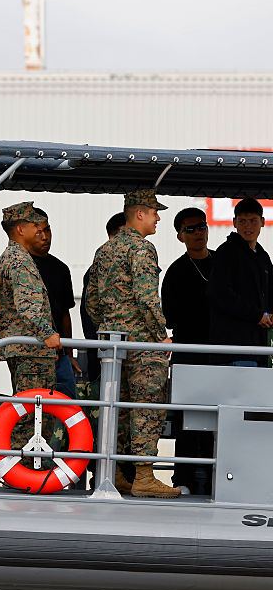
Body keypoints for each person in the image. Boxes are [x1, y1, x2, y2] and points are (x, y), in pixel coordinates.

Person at [86, 188, 178, 498]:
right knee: (146, 407)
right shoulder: (142, 248)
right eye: (154, 213)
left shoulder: (105, 249)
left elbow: (91, 301)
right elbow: (147, 297)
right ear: (140, 214)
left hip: (113, 343)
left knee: (117, 410)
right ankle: (143, 476)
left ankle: (112, 472)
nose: (158, 218)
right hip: (142, 344)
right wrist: (159, 333)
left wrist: (110, 326)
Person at [0, 201, 62, 457]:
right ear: (21, 229)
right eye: (35, 225)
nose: (41, 231)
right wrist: (48, 333)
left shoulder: (12, 256)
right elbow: (28, 306)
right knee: (33, 412)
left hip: (24, 348)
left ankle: (24, 467)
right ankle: (23, 468)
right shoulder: (20, 260)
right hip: (31, 350)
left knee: (31, 410)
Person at [161, 206, 214, 495]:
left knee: (217, 419)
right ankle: (182, 478)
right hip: (188, 354)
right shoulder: (176, 271)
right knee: (186, 420)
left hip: (220, 355)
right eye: (190, 229)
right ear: (180, 236)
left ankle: (213, 478)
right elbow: (168, 316)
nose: (198, 233)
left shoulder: (223, 263)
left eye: (201, 226)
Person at [207, 198, 273, 366]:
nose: (248, 226)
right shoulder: (226, 252)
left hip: (258, 347)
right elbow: (219, 293)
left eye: (253, 221)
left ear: (263, 222)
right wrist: (257, 315)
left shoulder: (262, 256)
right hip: (232, 349)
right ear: (234, 222)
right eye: (242, 221)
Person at [27, 209, 79, 399]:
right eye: (38, 232)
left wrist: (69, 354)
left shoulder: (61, 268)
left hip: (60, 354)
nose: (45, 237)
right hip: (32, 352)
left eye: (48, 230)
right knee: (33, 408)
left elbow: (65, 313)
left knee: (67, 405)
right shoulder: (19, 265)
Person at [80, 213, 125, 382]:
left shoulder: (132, 266)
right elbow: (88, 309)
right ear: (112, 237)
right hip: (104, 351)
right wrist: (101, 345)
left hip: (129, 350)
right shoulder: (99, 269)